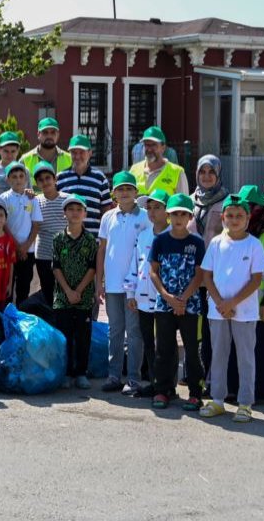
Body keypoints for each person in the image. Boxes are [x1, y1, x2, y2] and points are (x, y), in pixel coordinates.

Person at [199, 193, 264, 423]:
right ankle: (217, 400)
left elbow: (256, 280)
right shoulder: (216, 243)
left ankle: (245, 403)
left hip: (244, 312)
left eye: (239, 215)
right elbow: (207, 276)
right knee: (218, 355)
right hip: (217, 311)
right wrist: (220, 302)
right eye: (230, 215)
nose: (234, 219)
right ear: (223, 218)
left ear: (248, 218)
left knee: (245, 357)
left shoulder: (254, 245)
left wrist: (232, 303)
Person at [147, 193, 207, 411]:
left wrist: (183, 299)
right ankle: (162, 390)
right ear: (168, 215)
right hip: (164, 305)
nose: (178, 218)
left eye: (183, 214)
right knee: (163, 349)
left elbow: (200, 274)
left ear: (190, 216)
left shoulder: (197, 243)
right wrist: (168, 297)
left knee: (192, 350)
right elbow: (153, 272)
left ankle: (195, 393)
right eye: (174, 214)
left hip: (190, 306)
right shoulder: (160, 241)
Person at [226, 184, 264, 404]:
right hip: (233, 304)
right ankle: (233, 389)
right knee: (234, 349)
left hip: (258, 306)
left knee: (258, 351)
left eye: (250, 207)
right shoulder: (228, 235)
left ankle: (259, 391)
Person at [97, 172, 148, 394]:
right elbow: (102, 250)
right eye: (120, 189)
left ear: (136, 192)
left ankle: (134, 378)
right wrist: (100, 281)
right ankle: (114, 375)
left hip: (135, 287)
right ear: (114, 193)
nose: (125, 193)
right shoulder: (108, 217)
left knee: (134, 331)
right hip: (113, 285)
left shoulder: (145, 217)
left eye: (129, 189)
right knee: (114, 330)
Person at [124, 189, 170, 398]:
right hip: (143, 299)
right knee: (148, 342)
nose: (152, 212)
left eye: (157, 207)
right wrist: (131, 293)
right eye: (149, 208)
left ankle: (167, 385)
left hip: (165, 300)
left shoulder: (174, 236)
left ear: (167, 211)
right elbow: (136, 264)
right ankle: (154, 381)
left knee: (165, 343)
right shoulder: (142, 235)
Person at [52, 194, 97, 389]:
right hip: (62, 296)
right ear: (64, 213)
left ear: (85, 213)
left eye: (79, 209)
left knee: (83, 335)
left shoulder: (90, 239)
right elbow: (56, 267)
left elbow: (92, 268)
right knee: (64, 335)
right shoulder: (58, 239)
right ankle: (67, 372)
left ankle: (81, 372)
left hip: (84, 297)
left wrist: (78, 290)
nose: (75, 213)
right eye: (71, 209)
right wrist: (68, 291)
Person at [55, 134, 112, 240]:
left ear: (90, 153)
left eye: (81, 152)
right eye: (74, 152)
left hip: (93, 241)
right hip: (66, 242)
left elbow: (106, 211)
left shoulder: (100, 178)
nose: (77, 156)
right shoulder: (60, 177)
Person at [0, 162, 42, 304]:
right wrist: (17, 246)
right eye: (14, 177)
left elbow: (36, 225)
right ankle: (6, 316)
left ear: (26, 179)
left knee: (24, 287)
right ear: (8, 179)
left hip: (28, 251)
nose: (18, 180)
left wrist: (25, 247)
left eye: (21, 176)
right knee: (7, 286)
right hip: (8, 250)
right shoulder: (4, 198)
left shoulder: (32, 199)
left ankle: (21, 316)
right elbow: (3, 225)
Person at [32, 163, 67, 306]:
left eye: (48, 178)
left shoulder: (68, 199)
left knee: (64, 291)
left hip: (65, 254)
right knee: (48, 292)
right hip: (43, 255)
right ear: (37, 183)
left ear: (55, 179)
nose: (45, 182)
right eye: (41, 179)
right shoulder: (35, 201)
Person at [129, 126, 189, 197]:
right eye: (146, 145)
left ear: (163, 148)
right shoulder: (134, 170)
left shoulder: (177, 172)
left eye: (154, 145)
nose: (149, 149)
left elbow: (183, 203)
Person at [192, 155, 229, 244]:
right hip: (191, 256)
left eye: (211, 172)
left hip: (217, 256)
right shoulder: (190, 200)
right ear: (197, 174)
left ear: (218, 174)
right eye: (202, 172)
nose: (206, 176)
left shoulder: (227, 202)